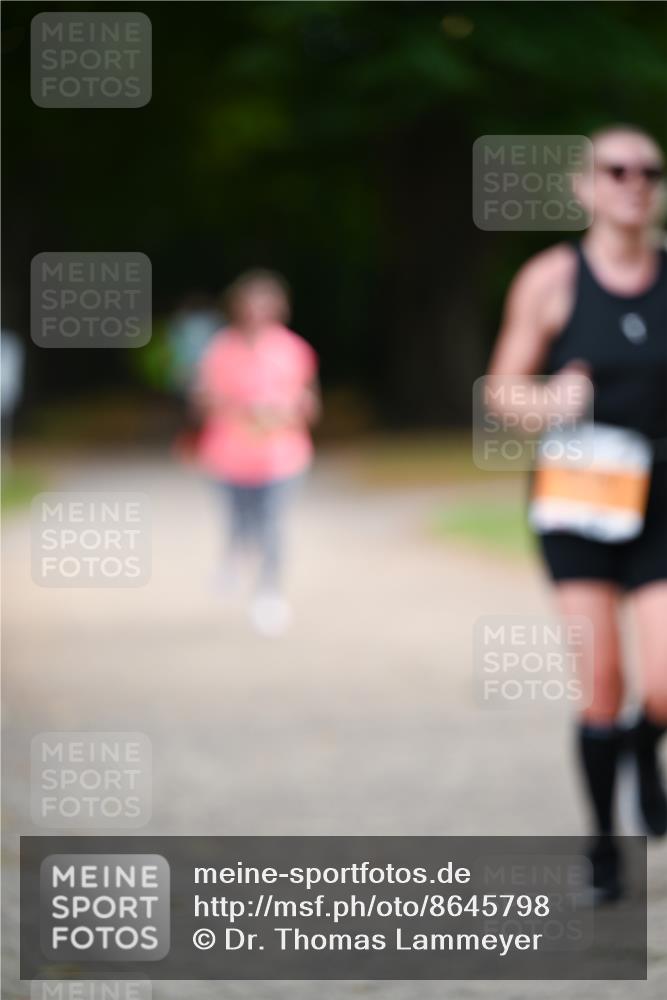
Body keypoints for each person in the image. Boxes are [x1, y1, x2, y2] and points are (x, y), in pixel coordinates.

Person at [488, 126, 667, 900]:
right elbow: (500, 389)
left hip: (660, 496)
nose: (632, 182)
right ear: (584, 186)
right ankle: (602, 846)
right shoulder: (550, 279)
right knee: (600, 682)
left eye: (647, 171)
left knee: (661, 686)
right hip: (578, 500)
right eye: (613, 169)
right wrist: (545, 402)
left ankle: (640, 747)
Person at [194, 270, 320, 636]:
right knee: (239, 521)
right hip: (228, 455)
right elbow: (202, 399)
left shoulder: (294, 350)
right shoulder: (220, 348)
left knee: (273, 525)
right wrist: (239, 407)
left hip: (282, 456)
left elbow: (310, 404)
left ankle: (269, 593)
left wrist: (285, 410)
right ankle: (233, 558)